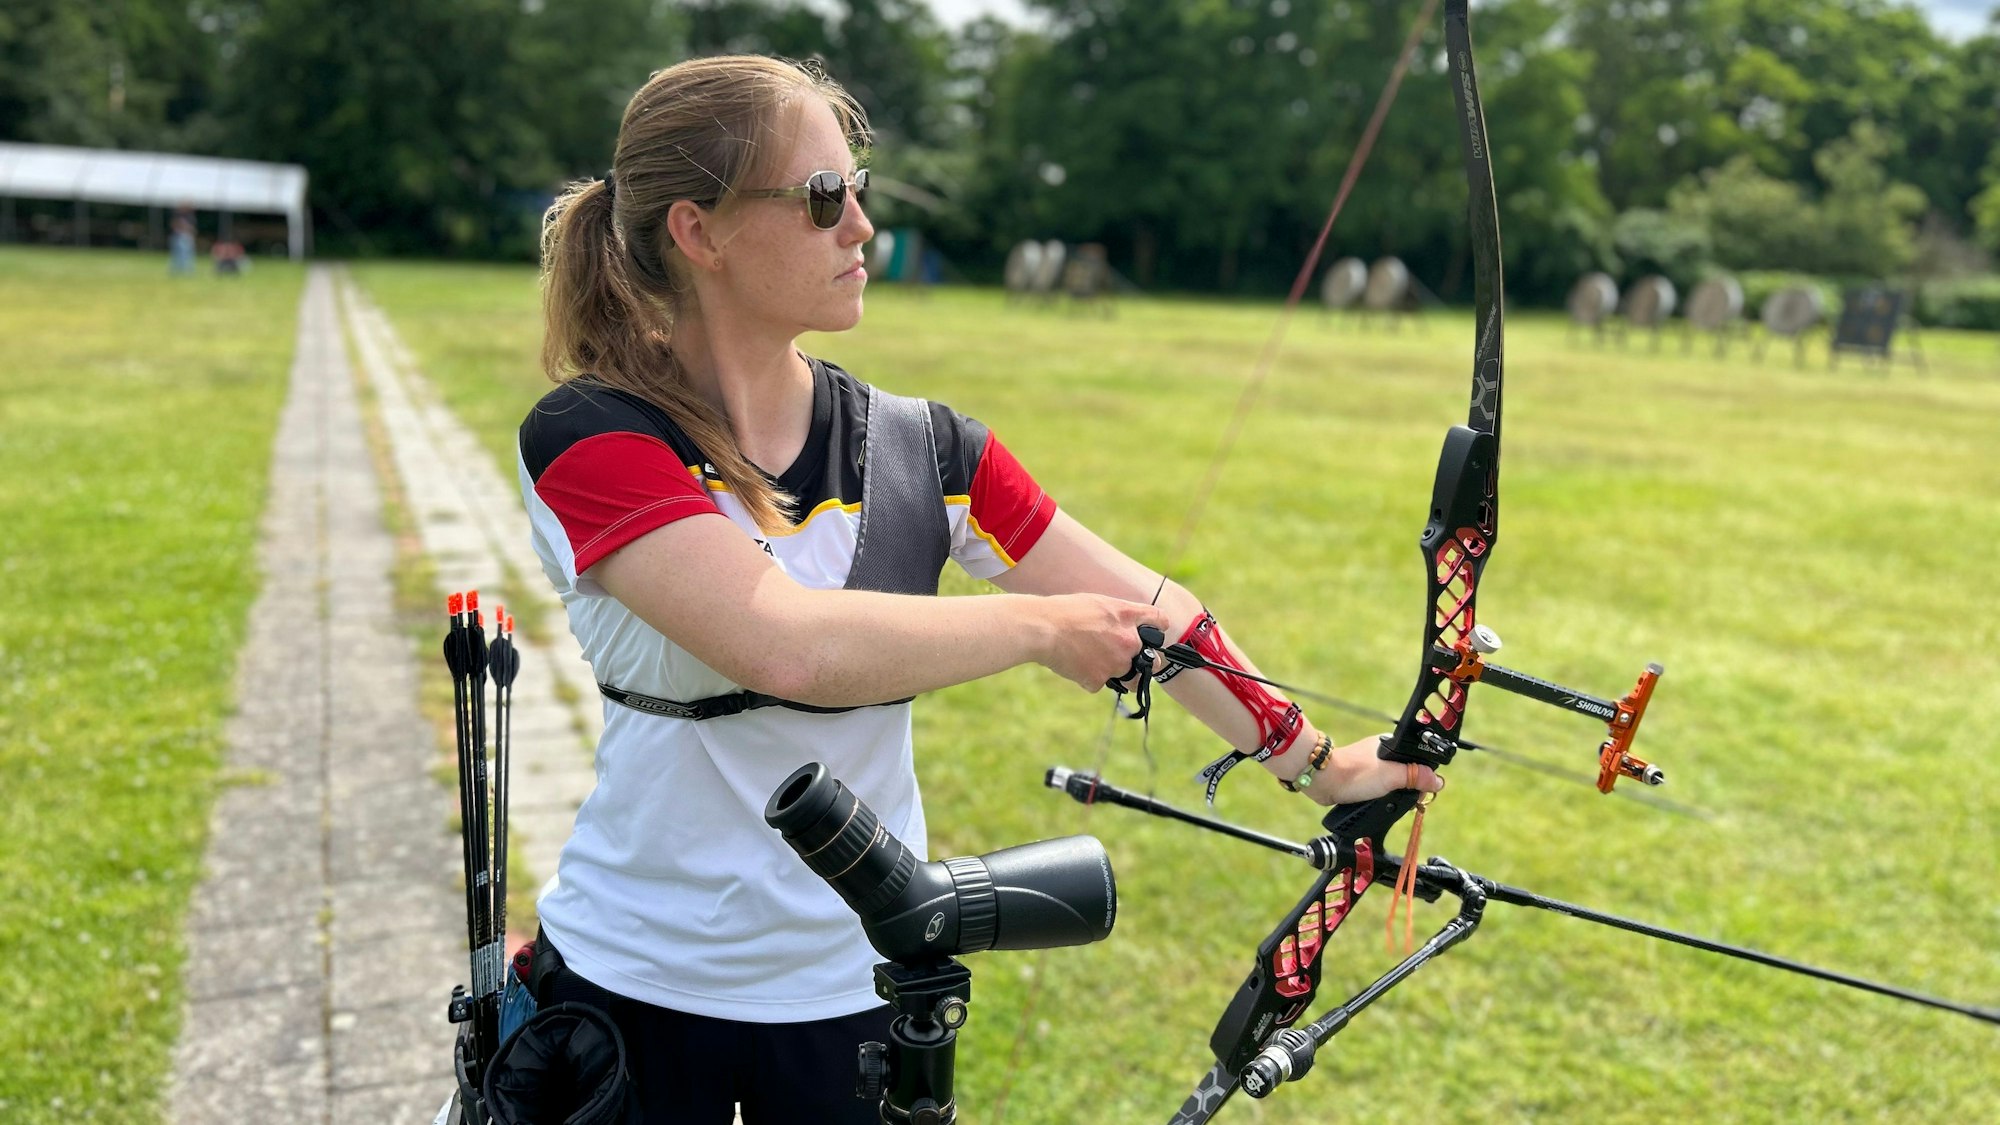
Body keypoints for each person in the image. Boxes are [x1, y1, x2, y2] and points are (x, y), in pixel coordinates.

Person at [516, 55, 1443, 1124]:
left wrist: (1316, 761)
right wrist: (1036, 629)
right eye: (823, 198)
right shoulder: (590, 437)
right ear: (699, 231)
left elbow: (1152, 607)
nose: (859, 225)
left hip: (856, 991)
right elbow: (782, 645)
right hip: (637, 993)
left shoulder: (920, 449)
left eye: (857, 187)